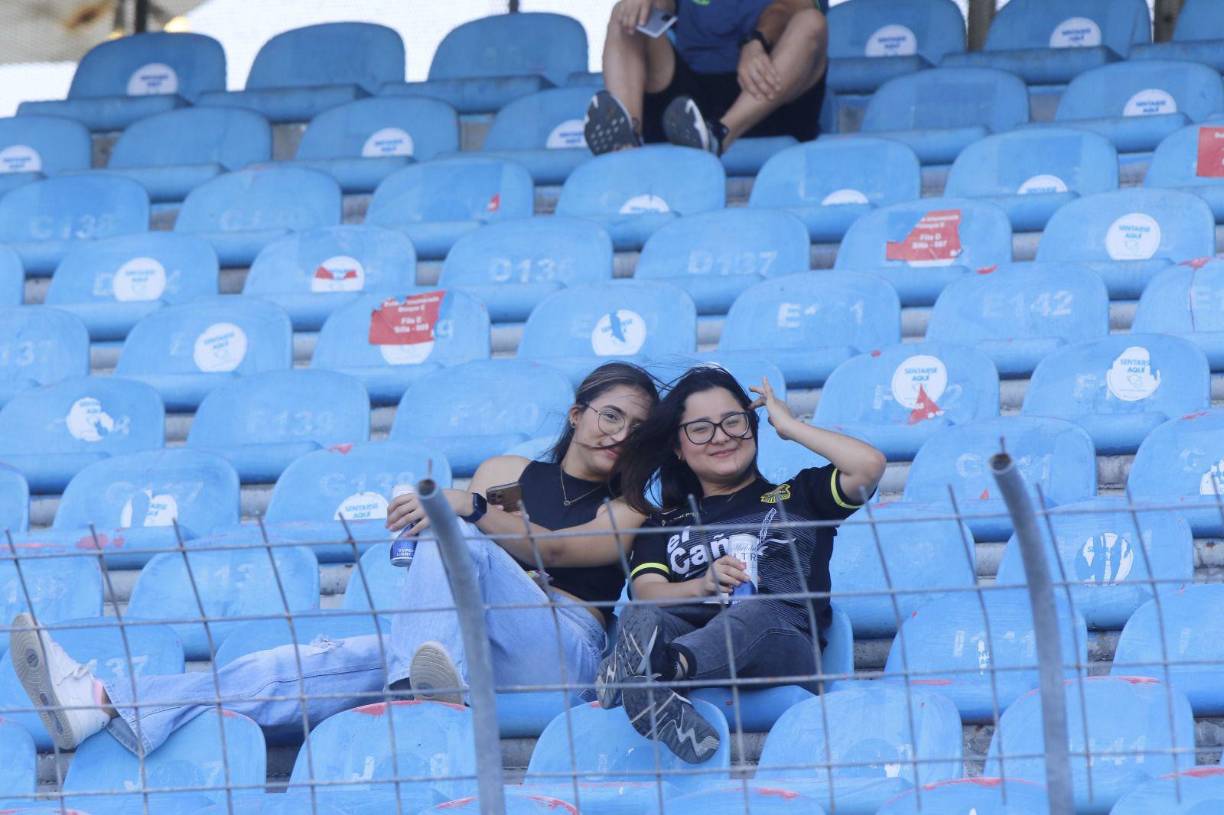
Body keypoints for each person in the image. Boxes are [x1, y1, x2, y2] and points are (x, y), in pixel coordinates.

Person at [9, 362, 659, 756]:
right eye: (609, 414)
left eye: (636, 428)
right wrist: (431, 516)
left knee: (446, 522)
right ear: (577, 414)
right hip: (463, 646)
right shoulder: (506, 470)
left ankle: (418, 693)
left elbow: (564, 548)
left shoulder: (631, 506)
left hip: (556, 651)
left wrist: (459, 510)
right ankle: (104, 703)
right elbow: (448, 549)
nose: (618, 434)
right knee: (306, 663)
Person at [596, 367, 885, 763]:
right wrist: (700, 586)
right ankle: (659, 696)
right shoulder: (664, 524)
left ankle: (653, 673)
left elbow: (868, 466)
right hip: (698, 635)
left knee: (756, 612)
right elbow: (647, 591)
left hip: (783, 643)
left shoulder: (798, 496)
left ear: (753, 427)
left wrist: (788, 425)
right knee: (643, 617)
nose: (721, 437)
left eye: (734, 422)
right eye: (700, 429)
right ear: (677, 448)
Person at [584, 0, 829, 156]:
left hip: (764, 94)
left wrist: (756, 42)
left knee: (812, 22)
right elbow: (664, 6)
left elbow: (789, 8)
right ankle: (626, 143)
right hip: (687, 107)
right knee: (626, 12)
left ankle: (718, 137)